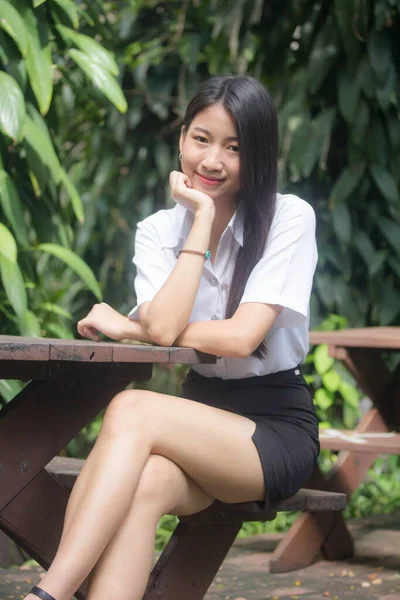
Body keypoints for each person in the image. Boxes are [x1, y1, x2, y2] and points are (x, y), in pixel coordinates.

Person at [27, 75, 319, 600]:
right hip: (197, 420)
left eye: (235, 148)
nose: (212, 161)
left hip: (272, 429)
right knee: (143, 486)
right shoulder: (158, 231)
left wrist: (133, 326)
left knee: (133, 409)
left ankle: (48, 594)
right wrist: (198, 222)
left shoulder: (289, 218)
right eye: (201, 139)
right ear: (181, 138)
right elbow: (165, 331)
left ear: (259, 155)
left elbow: (238, 336)